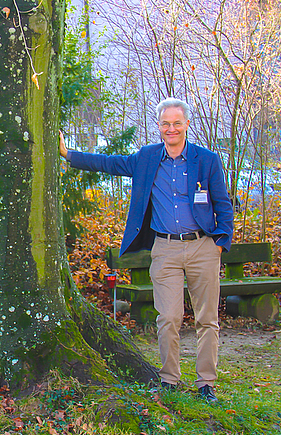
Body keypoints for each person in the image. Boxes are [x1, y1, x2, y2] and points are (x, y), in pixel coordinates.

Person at [59, 98, 233, 402]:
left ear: (187, 124)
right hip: (164, 248)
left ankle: (206, 383)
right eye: (166, 123)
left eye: (177, 123)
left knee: (207, 319)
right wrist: (68, 154)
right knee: (168, 318)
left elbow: (223, 204)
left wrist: (221, 242)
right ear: (159, 127)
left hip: (203, 248)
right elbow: (110, 163)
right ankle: (169, 380)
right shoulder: (147, 158)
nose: (171, 129)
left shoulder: (206, 160)